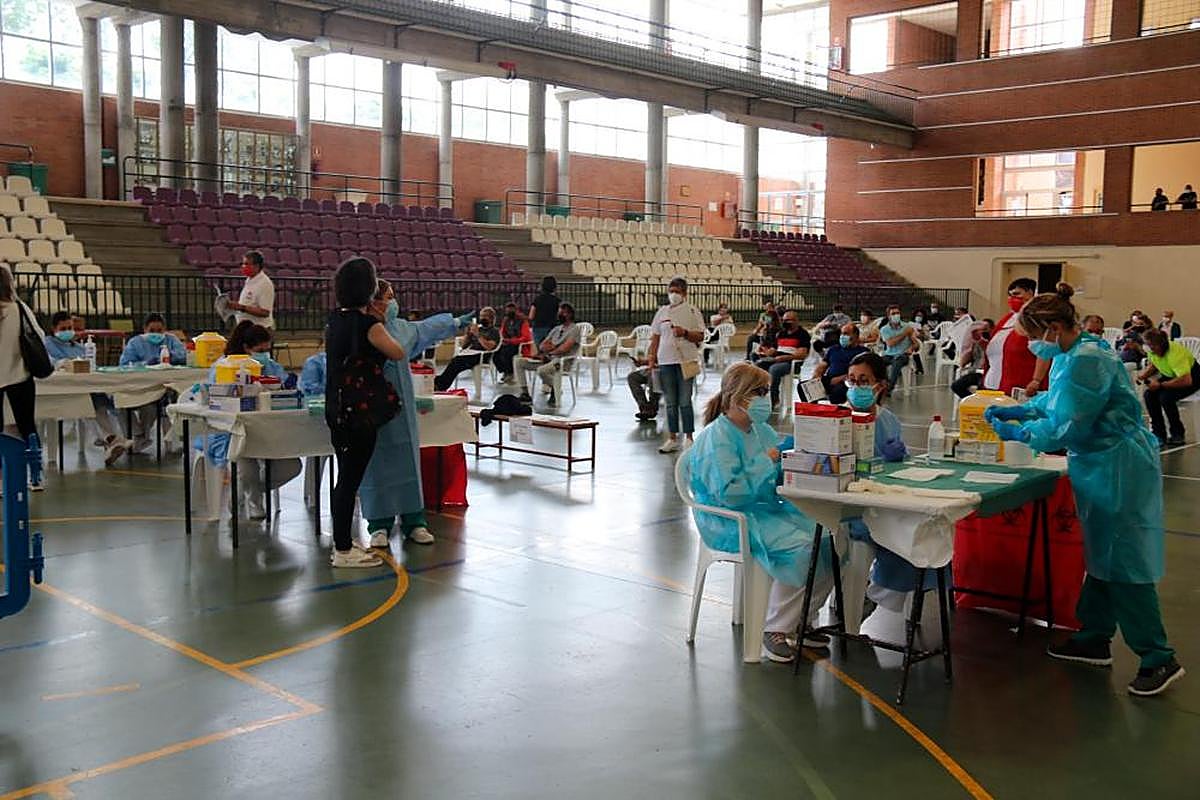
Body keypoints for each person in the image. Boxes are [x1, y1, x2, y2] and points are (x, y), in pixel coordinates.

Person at [986, 284, 1183, 696]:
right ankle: (1094, 635)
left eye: (1034, 337)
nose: (1034, 346)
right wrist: (1024, 407)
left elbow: (1067, 425)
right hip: (1099, 463)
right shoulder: (1073, 353)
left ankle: (1157, 656)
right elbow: (1059, 401)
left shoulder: (1086, 360)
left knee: (1125, 560)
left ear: (1054, 328)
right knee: (1102, 554)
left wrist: (1021, 432)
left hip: (1118, 465)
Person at [685, 362, 833, 663]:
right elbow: (730, 493)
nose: (768, 398)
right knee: (803, 548)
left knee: (830, 539)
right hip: (728, 518)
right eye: (761, 392)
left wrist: (798, 460)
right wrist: (768, 461)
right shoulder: (717, 438)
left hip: (764, 510)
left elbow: (775, 476)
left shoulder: (760, 431)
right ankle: (775, 628)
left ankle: (801, 618)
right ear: (739, 396)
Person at [360, 280, 467, 548]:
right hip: (373, 405)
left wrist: (454, 322)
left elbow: (425, 329)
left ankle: (414, 521)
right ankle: (379, 524)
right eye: (389, 297)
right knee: (376, 464)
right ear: (374, 301)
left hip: (402, 406)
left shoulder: (401, 328)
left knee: (408, 461)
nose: (393, 302)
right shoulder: (362, 328)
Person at [841, 352, 936, 631]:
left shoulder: (889, 420)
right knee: (896, 534)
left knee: (924, 534)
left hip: (884, 499)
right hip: (851, 506)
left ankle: (874, 595)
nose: (856, 387)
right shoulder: (838, 418)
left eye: (863, 381)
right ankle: (868, 596)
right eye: (851, 380)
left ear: (880, 385)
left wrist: (898, 459)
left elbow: (897, 468)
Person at [325, 257, 407, 568]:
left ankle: (343, 542)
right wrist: (380, 321)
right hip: (359, 412)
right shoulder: (369, 325)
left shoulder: (335, 319)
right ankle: (342, 549)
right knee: (349, 481)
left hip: (337, 406)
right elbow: (397, 352)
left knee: (345, 477)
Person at [198, 321, 301, 519]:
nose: (265, 354)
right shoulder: (224, 366)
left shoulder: (270, 366)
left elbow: (284, 384)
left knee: (291, 467)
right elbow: (215, 397)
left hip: (270, 430)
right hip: (234, 431)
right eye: (260, 350)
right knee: (247, 470)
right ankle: (254, 499)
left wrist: (287, 384)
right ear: (246, 348)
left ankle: (251, 490)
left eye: (267, 349)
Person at [44, 311, 131, 466]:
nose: (67, 331)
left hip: (83, 387)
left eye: (70, 328)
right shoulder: (47, 343)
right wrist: (63, 363)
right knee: (87, 401)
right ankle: (111, 439)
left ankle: (111, 441)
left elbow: (90, 365)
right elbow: (50, 362)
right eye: (63, 328)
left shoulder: (79, 347)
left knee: (99, 398)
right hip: (60, 390)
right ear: (53, 329)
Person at [648, 277, 706, 453]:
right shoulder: (662, 312)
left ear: (684, 293)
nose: (673, 294)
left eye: (677, 292)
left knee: (685, 400)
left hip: (685, 360)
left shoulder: (692, 311)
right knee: (670, 402)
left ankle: (688, 437)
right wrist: (651, 357)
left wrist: (685, 333)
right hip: (666, 361)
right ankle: (672, 437)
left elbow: (700, 335)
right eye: (671, 291)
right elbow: (655, 337)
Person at [0, 264, 44, 491]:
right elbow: (39, 335)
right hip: (20, 374)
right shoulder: (19, 308)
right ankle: (35, 476)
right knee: (27, 426)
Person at [119, 312, 187, 453]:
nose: (156, 333)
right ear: (144, 330)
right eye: (152, 330)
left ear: (165, 329)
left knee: (153, 405)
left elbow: (183, 355)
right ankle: (138, 434)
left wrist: (169, 357)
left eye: (159, 330)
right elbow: (124, 363)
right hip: (139, 386)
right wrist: (144, 364)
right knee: (119, 402)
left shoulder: (171, 340)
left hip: (164, 387)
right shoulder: (135, 343)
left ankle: (142, 438)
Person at [982, 278, 1049, 398]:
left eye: (1017, 294)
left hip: (1021, 386)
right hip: (993, 385)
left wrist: (1036, 380)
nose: (1012, 298)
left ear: (1031, 293)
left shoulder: (1036, 319)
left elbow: (1044, 352)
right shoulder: (1006, 319)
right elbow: (993, 349)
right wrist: (979, 340)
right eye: (1010, 295)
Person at [1139, 328, 1199, 447]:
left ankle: (1178, 434)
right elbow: (1154, 365)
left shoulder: (1175, 354)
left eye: (1150, 345)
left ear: (1159, 345)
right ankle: (1159, 434)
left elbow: (1186, 380)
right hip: (1171, 375)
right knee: (1149, 395)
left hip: (1192, 378)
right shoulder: (1153, 351)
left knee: (1166, 397)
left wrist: (1160, 385)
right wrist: (1143, 375)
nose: (1148, 348)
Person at [515, 301, 580, 408]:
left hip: (562, 361)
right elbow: (542, 345)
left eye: (563, 313)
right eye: (559, 312)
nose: (560, 315)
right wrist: (552, 348)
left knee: (542, 371)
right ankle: (525, 393)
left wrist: (551, 348)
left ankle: (556, 389)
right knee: (519, 362)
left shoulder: (574, 329)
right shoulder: (556, 329)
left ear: (570, 314)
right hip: (547, 359)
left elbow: (565, 348)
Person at [434, 306, 499, 391]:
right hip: (471, 353)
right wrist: (468, 334)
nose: (482, 318)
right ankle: (440, 383)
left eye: (485, 316)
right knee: (455, 362)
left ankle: (440, 384)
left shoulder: (494, 331)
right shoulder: (478, 328)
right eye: (481, 316)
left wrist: (478, 335)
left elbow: (489, 347)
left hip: (483, 355)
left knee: (456, 362)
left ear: (491, 318)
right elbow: (463, 346)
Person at [758, 310, 811, 410]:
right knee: (758, 365)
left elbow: (802, 354)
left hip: (790, 363)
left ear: (796, 321)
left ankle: (774, 398)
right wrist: (766, 352)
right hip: (776, 359)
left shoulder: (802, 334)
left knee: (774, 369)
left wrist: (785, 358)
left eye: (787, 320)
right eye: (783, 320)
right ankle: (761, 395)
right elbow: (775, 349)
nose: (784, 322)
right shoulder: (781, 333)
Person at [299, 343, 327, 511]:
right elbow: (309, 390)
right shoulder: (315, 363)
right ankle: (312, 493)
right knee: (319, 452)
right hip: (319, 419)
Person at [812, 323, 869, 404]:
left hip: (847, 382)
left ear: (855, 335)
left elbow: (860, 373)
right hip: (829, 380)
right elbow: (822, 366)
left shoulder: (863, 352)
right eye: (841, 334)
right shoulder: (833, 349)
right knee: (805, 387)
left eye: (846, 334)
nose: (842, 336)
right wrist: (815, 378)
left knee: (838, 391)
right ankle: (813, 409)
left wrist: (839, 379)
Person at [227, 249, 275, 329]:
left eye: (246, 264)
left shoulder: (265, 284)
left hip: (258, 329)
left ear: (256, 266)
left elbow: (265, 312)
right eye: (243, 264)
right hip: (246, 328)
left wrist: (242, 307)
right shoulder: (250, 280)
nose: (244, 267)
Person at [878, 304, 920, 391]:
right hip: (889, 354)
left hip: (903, 355)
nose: (896, 315)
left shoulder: (907, 326)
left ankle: (889, 388)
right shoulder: (884, 329)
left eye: (898, 313)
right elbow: (890, 343)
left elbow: (916, 344)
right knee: (877, 362)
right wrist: (905, 333)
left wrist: (911, 348)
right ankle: (882, 384)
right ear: (889, 316)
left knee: (897, 360)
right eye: (893, 314)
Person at [951, 319, 995, 398]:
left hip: (987, 374)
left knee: (982, 387)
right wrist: (969, 348)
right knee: (956, 386)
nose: (982, 332)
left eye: (985, 329)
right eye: (980, 329)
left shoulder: (994, 343)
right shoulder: (975, 342)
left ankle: (978, 401)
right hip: (975, 372)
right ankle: (972, 400)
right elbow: (963, 362)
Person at [494, 302, 532, 382]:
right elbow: (502, 333)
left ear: (516, 310)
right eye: (507, 311)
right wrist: (503, 339)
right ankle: (504, 371)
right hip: (508, 343)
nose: (509, 313)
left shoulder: (522, 321)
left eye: (511, 311)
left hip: (519, 345)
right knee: (495, 352)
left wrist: (511, 341)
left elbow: (525, 338)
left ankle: (510, 373)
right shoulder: (506, 320)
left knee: (507, 352)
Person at [528, 276, 560, 346]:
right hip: (552, 328)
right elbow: (559, 315)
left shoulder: (537, 300)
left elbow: (531, 316)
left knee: (540, 348)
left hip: (538, 327)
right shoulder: (557, 301)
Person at [627, 356, 661, 421]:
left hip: (663, 369)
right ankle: (644, 407)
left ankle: (652, 407)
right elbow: (653, 359)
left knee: (653, 376)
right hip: (652, 369)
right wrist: (643, 362)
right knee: (632, 377)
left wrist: (651, 364)